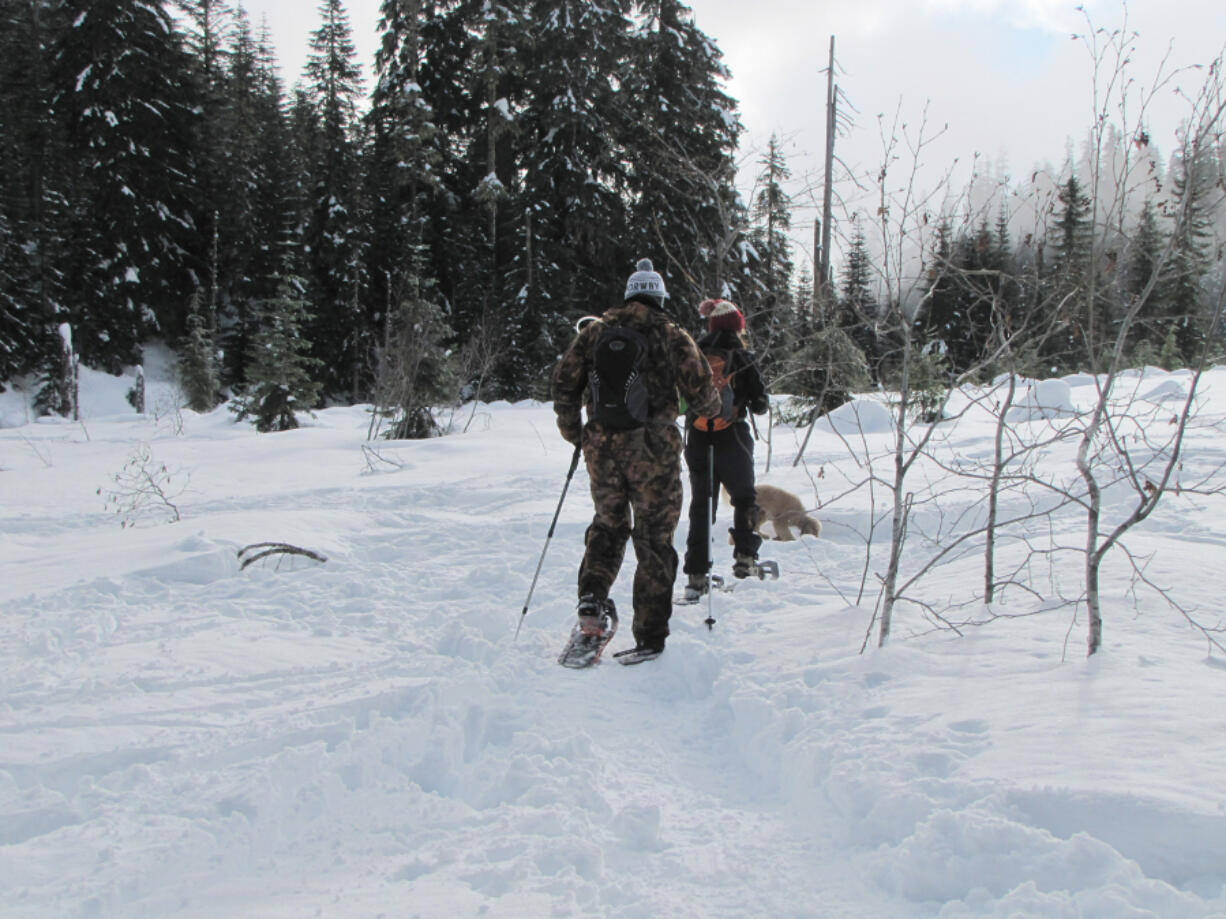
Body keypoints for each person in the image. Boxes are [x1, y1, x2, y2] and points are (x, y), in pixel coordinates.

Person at [552, 259, 721, 658]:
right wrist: (709, 410)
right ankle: (649, 634)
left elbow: (563, 383)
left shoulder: (594, 332)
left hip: (603, 451)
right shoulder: (672, 336)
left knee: (608, 526)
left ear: (628, 295)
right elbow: (703, 396)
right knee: (654, 539)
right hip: (654, 454)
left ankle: (592, 605)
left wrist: (578, 434)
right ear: (661, 297)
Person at [681, 298, 770, 601]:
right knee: (744, 498)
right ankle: (745, 559)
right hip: (732, 438)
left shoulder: (693, 355)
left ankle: (696, 575)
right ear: (737, 326)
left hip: (697, 436)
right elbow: (760, 405)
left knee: (702, 505)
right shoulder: (743, 356)